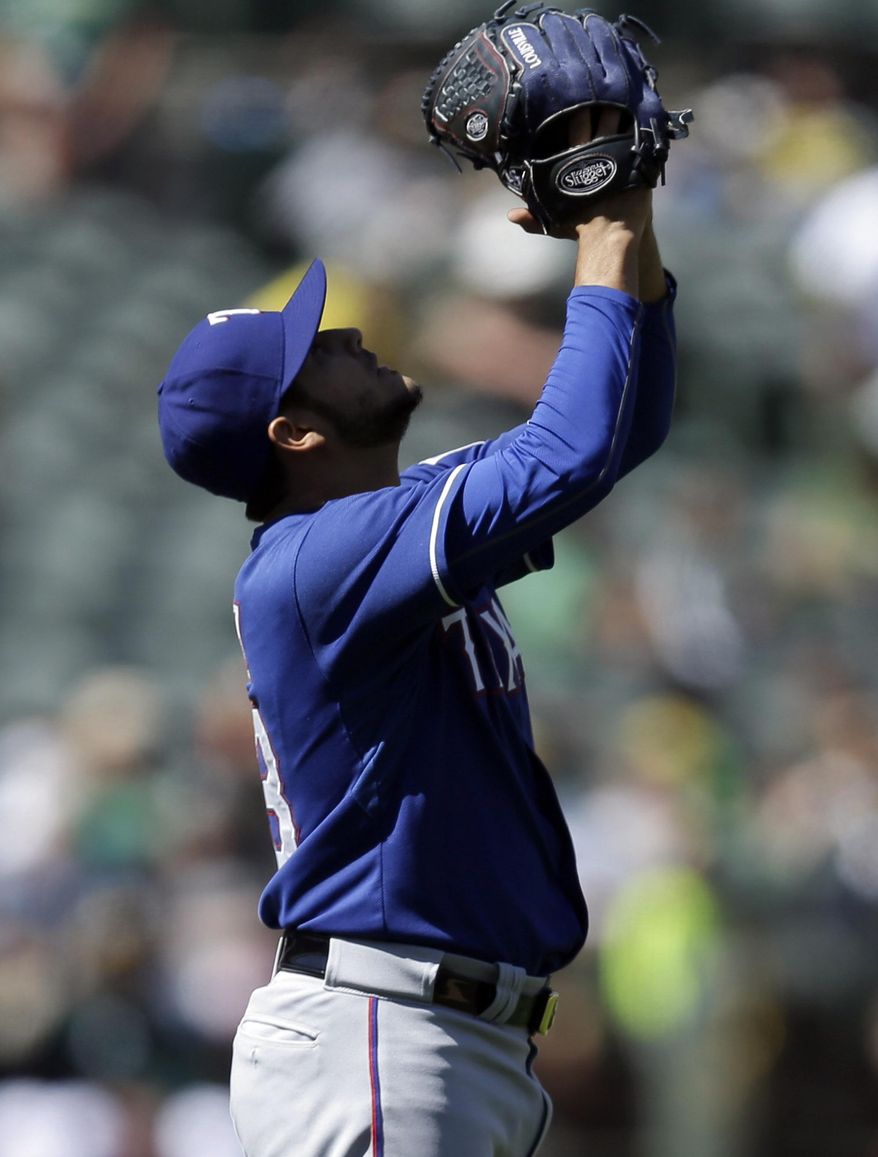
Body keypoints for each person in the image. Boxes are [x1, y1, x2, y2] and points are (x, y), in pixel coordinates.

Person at [157, 107, 677, 1157]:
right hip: (381, 1029)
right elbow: (567, 452)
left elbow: (615, 433)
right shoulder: (319, 557)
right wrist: (600, 222)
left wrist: (630, 225)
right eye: (319, 351)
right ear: (294, 432)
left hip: (431, 1033)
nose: (349, 334)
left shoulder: (375, 528)